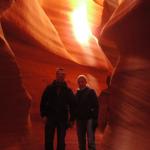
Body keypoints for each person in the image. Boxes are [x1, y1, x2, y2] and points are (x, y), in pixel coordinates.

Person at [40, 67, 75, 150]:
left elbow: (73, 105)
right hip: (50, 117)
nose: (60, 76)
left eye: (62, 75)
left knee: (61, 142)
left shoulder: (68, 90)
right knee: (48, 140)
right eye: (59, 74)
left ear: (64, 76)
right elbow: (43, 102)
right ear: (56, 75)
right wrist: (43, 115)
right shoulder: (49, 88)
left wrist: (72, 119)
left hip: (62, 119)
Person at [75, 75, 99, 150]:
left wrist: (94, 118)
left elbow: (96, 105)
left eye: (82, 81)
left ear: (85, 82)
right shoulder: (76, 94)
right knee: (81, 141)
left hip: (89, 119)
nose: (80, 83)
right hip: (79, 120)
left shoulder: (91, 92)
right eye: (79, 82)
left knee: (90, 140)